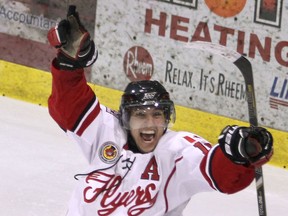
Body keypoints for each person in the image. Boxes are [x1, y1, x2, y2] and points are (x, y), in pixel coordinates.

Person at [47, 6, 273, 216]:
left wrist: (240, 152)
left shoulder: (178, 151)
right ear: (126, 119)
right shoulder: (108, 131)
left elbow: (219, 174)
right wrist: (69, 64)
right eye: (141, 115)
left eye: (157, 115)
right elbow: (69, 106)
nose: (150, 123)